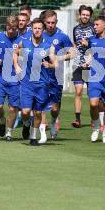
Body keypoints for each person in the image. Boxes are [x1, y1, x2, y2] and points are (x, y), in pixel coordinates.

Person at [14, 18, 56, 146]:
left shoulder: (48, 45)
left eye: (39, 28)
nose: (37, 30)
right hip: (27, 83)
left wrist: (49, 65)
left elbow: (55, 63)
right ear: (31, 29)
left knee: (38, 112)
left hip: (42, 84)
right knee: (26, 112)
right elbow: (15, 53)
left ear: (43, 30)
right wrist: (16, 65)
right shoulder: (24, 42)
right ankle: (26, 124)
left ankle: (33, 137)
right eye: (35, 28)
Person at [41, 10, 73, 142]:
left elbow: (72, 53)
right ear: (44, 22)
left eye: (53, 22)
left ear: (56, 22)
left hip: (56, 76)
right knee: (41, 103)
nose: (50, 25)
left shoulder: (62, 37)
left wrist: (59, 58)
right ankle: (42, 134)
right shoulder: (39, 34)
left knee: (54, 107)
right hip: (41, 75)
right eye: (48, 22)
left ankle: (54, 120)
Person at [0, 15, 20, 141]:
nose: (11, 31)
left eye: (13, 28)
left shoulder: (21, 39)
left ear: (17, 27)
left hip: (15, 78)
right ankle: (2, 120)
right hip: (0, 77)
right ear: (6, 26)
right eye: (9, 28)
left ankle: (9, 132)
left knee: (13, 108)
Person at [71, 5, 95, 128]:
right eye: (83, 14)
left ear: (90, 16)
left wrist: (88, 44)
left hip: (90, 65)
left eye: (87, 15)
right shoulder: (75, 29)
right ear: (79, 15)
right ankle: (77, 120)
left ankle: (94, 119)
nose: (85, 16)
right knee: (78, 91)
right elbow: (75, 43)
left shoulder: (93, 28)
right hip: (78, 65)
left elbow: (97, 45)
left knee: (92, 94)